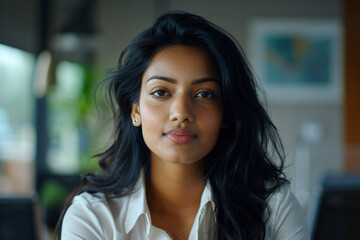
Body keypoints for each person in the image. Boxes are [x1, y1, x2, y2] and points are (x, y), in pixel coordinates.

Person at [57, 11, 310, 240]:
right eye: (161, 92)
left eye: (204, 94)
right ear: (135, 110)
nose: (181, 113)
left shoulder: (274, 208)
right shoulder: (93, 217)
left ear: (226, 113)